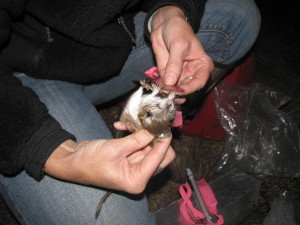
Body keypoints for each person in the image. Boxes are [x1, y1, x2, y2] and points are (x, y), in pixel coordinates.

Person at [0, 0, 260, 224]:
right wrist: (53, 150)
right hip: (15, 79)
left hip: (101, 47)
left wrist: (170, 12)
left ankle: (151, 108)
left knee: (238, 16)